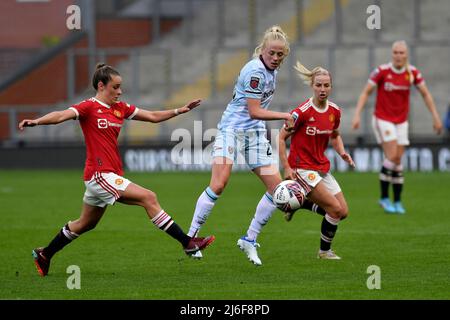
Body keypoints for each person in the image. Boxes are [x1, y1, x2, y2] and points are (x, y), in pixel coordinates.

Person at [19, 63, 215, 277]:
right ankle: (187, 242)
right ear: (101, 86)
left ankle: (45, 254)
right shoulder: (88, 107)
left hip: (109, 175)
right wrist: (36, 122)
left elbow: (151, 116)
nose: (120, 91)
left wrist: (180, 110)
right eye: (116, 87)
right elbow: (60, 115)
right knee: (148, 197)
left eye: (121, 87)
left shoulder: (120, 108)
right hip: (99, 175)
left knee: (86, 223)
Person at [185, 25, 296, 266]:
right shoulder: (255, 71)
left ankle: (250, 239)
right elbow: (255, 111)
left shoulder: (271, 71)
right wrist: (285, 115)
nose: (276, 58)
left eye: (280, 55)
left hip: (254, 135)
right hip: (232, 132)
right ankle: (190, 238)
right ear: (262, 50)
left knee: (276, 189)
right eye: (272, 53)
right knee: (219, 184)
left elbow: (256, 115)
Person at [352, 40, 443, 214]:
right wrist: (357, 115)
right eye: (396, 52)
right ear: (391, 54)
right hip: (383, 119)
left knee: (397, 161)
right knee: (393, 155)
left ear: (406, 55)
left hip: (401, 121)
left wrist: (435, 117)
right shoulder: (382, 71)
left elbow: (425, 94)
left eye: (402, 52)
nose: (398, 55)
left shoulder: (412, 72)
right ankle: (384, 198)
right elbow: (366, 92)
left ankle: (397, 201)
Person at [278, 61, 355, 260]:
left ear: (331, 87)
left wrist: (342, 152)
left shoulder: (334, 111)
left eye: (326, 85)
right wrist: (286, 167)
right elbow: (280, 137)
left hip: (321, 167)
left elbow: (335, 134)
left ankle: (299, 203)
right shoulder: (301, 112)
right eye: (319, 85)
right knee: (335, 210)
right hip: (301, 167)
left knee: (343, 212)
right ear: (312, 85)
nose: (322, 89)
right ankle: (324, 252)